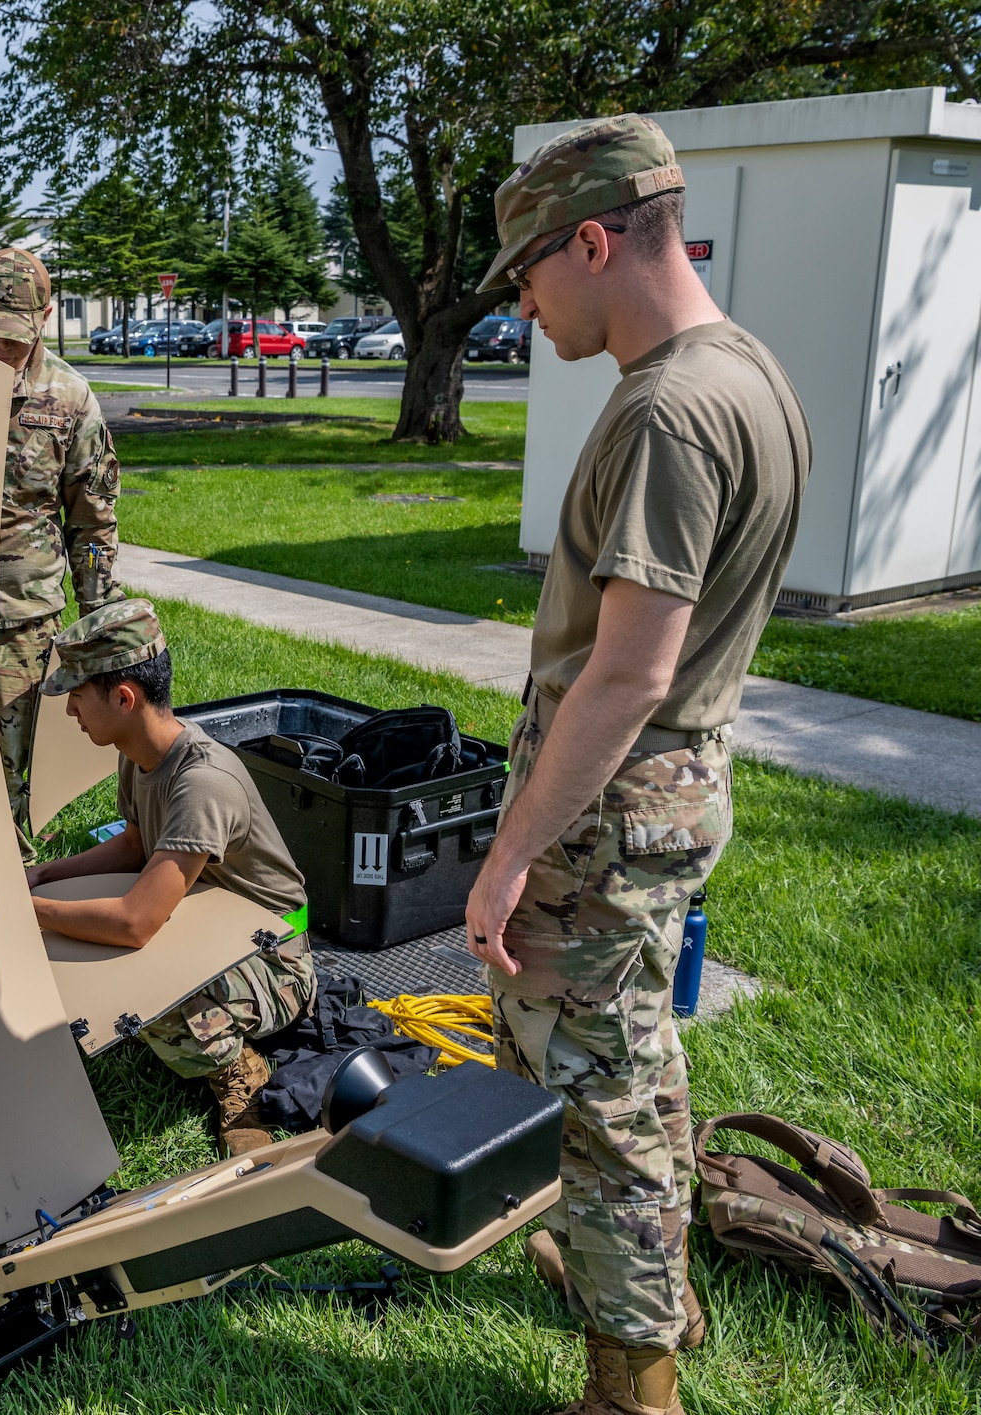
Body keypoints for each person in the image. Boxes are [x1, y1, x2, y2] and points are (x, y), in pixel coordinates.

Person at [465, 115, 808, 1415]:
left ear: (594, 240)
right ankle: (654, 1286)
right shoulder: (751, 374)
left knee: (595, 1097)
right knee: (639, 1059)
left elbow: (627, 672)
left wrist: (507, 857)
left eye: (529, 274)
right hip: (677, 792)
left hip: (610, 807)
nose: (525, 306)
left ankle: (633, 1388)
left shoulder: (669, 409)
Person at [23, 600, 312, 1156]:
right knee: (76, 928)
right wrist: (43, 877)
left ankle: (239, 1076)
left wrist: (30, 909)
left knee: (143, 994)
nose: (70, 711)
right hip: (205, 920)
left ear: (124, 698)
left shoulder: (202, 782)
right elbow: (134, 844)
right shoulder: (139, 754)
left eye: (77, 695)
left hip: (276, 957)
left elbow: (135, 924)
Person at [0, 248, 123, 858]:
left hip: (24, 620)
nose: (0, 353)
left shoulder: (70, 399)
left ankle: (13, 885)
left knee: (8, 774)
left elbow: (93, 522)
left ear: (46, 318)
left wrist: (103, 624)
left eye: (14, 341)